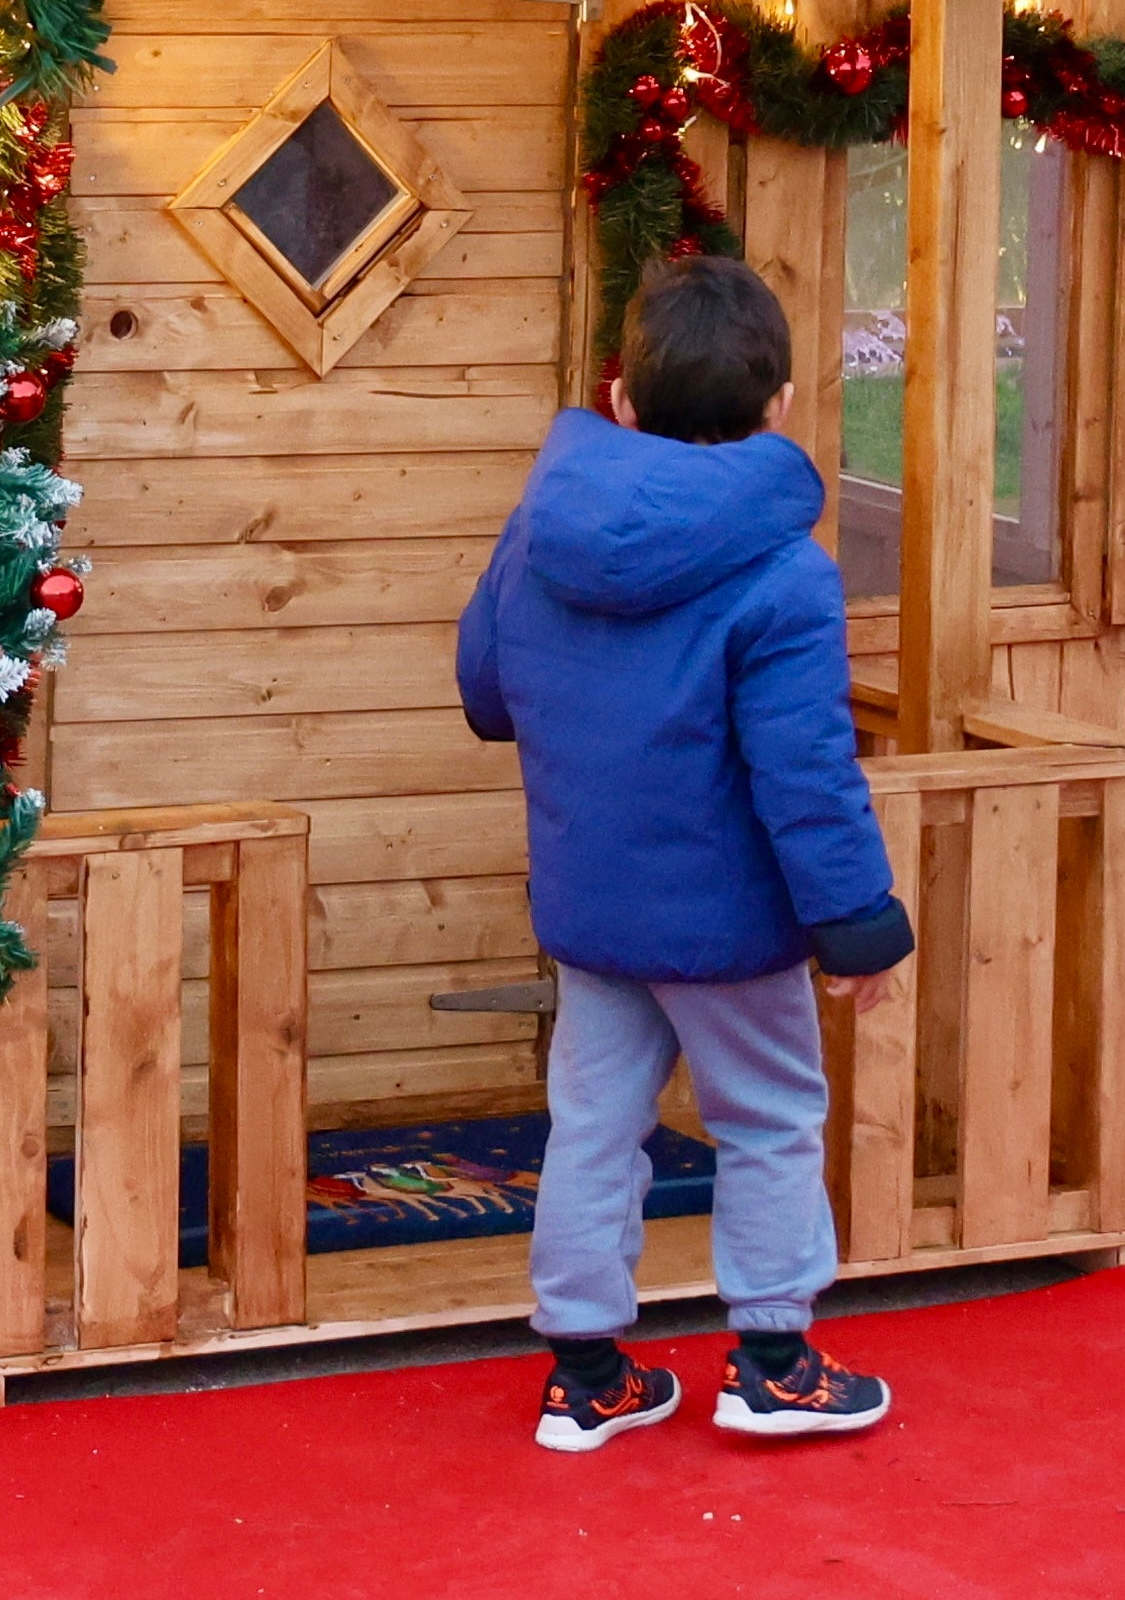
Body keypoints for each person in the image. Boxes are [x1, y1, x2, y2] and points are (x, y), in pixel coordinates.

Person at [455, 255, 917, 1453]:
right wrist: (857, 920)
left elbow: (485, 691)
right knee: (766, 1116)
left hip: (589, 898)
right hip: (726, 921)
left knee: (591, 1124)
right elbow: (803, 774)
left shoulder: (540, 525)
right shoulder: (783, 572)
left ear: (620, 393)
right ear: (775, 406)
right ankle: (771, 1359)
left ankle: (585, 1373)